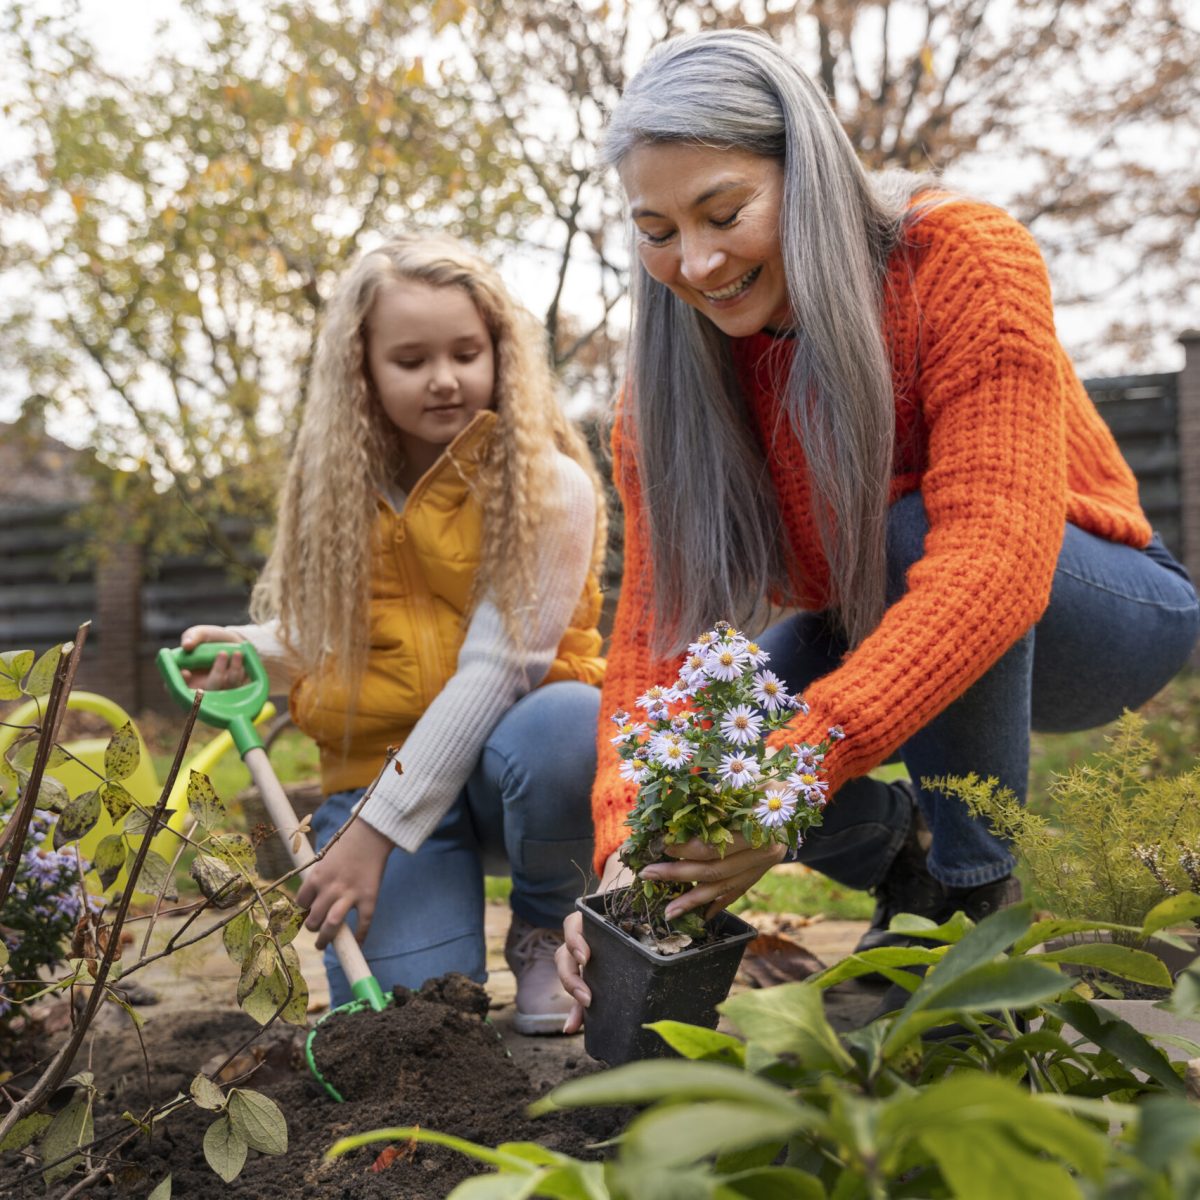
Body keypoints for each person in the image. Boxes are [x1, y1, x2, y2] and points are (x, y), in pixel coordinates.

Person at [557, 28, 1200, 1028]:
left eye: (723, 211)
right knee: (709, 732)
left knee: (914, 535)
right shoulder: (666, 390)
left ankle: (977, 896)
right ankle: (909, 871)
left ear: (804, 173)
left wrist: (793, 775)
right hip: (877, 611)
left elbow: (991, 566)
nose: (697, 259)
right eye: (658, 228)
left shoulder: (962, 261)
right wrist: (620, 851)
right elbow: (653, 636)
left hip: (1104, 612)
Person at [180, 232, 607, 1034]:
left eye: (466, 352)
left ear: (500, 355)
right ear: (364, 371)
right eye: (411, 360)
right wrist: (252, 651)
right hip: (378, 774)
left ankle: (548, 926)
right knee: (407, 1027)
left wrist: (369, 836)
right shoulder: (338, 493)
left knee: (570, 727)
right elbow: (340, 634)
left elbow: (494, 670)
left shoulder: (550, 487)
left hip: (508, 769)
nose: (445, 379)